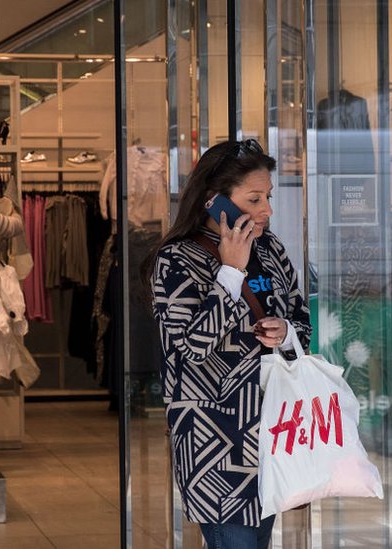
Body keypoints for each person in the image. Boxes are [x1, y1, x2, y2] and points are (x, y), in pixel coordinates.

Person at [148, 139, 312, 549]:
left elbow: (302, 323)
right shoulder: (176, 260)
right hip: (216, 446)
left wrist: (286, 333)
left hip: (273, 434)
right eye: (254, 198)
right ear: (214, 201)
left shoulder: (270, 248)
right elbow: (192, 348)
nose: (267, 210)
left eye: (268, 197)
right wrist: (231, 273)